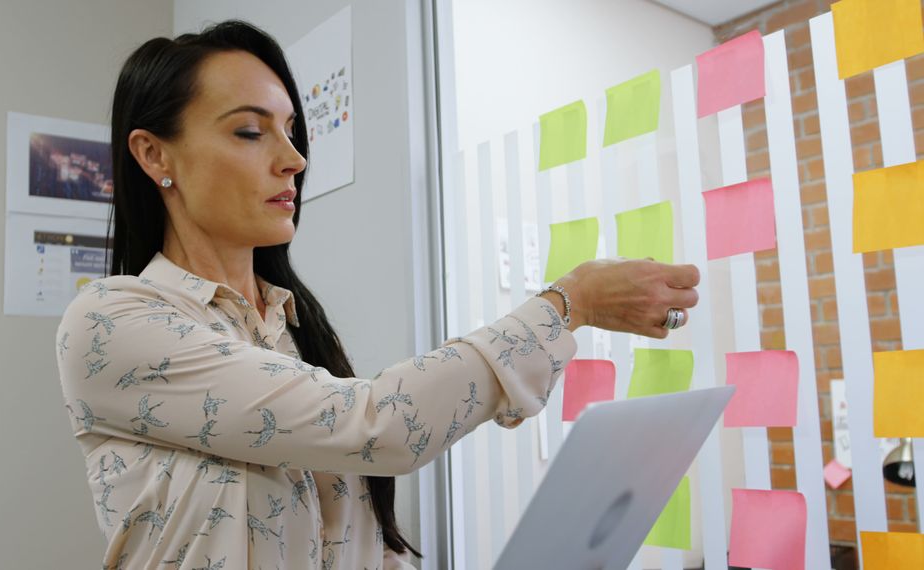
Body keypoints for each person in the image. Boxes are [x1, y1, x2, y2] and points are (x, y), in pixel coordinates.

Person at [55, 20, 699, 570]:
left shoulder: (295, 330)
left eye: (291, 131)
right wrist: (570, 303)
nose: (294, 159)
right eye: (251, 132)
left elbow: (358, 542)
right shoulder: (110, 324)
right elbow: (381, 424)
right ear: (153, 154)